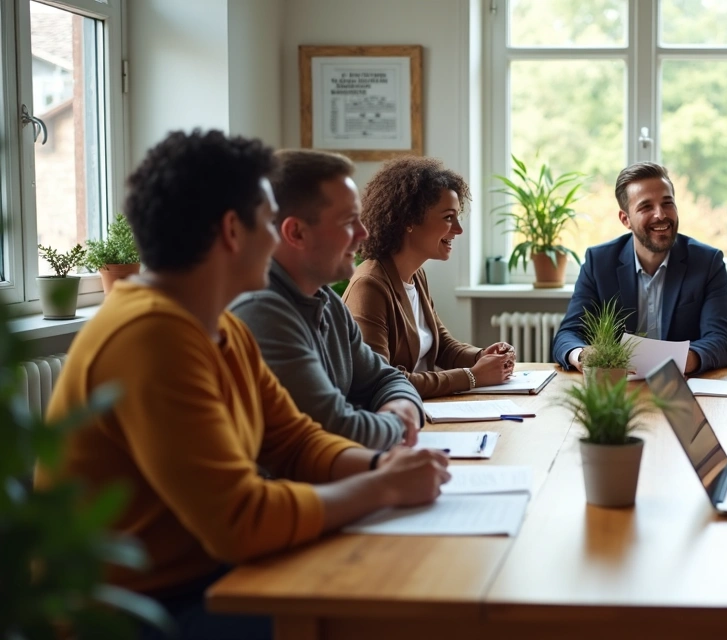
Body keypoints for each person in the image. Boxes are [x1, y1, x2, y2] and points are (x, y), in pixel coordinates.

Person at [35, 130, 451, 640]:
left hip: (201, 579)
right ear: (234, 231)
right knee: (391, 614)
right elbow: (241, 522)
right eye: (267, 221)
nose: (276, 239)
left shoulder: (220, 326)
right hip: (134, 614)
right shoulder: (151, 335)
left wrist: (378, 465)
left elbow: (296, 441)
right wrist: (384, 485)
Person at [230, 149, 424, 450]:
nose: (363, 233)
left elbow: (386, 379)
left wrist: (399, 405)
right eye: (348, 222)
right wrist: (399, 421)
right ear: (296, 233)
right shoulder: (262, 313)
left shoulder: (327, 301)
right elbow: (337, 430)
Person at [342, 155, 515, 398]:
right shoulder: (369, 286)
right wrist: (472, 376)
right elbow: (379, 381)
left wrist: (482, 356)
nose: (458, 229)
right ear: (409, 220)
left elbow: (442, 346)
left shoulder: (416, 275)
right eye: (448, 217)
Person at [552, 162, 727, 374]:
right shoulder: (599, 262)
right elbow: (567, 336)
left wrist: (678, 361)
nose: (661, 215)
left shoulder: (707, 262)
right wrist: (582, 355)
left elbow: (722, 340)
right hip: (617, 385)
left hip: (681, 384)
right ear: (625, 219)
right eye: (646, 207)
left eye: (667, 203)